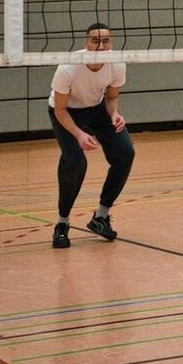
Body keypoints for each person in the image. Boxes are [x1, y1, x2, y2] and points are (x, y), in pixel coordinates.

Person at [48, 22, 135, 248]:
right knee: (75, 162)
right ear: (86, 43)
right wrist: (78, 134)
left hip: (97, 109)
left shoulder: (116, 63)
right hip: (67, 112)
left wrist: (114, 114)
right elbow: (60, 110)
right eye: (95, 41)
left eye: (105, 41)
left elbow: (112, 97)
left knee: (125, 153)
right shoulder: (68, 68)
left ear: (111, 43)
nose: (101, 46)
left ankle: (101, 217)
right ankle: (62, 223)